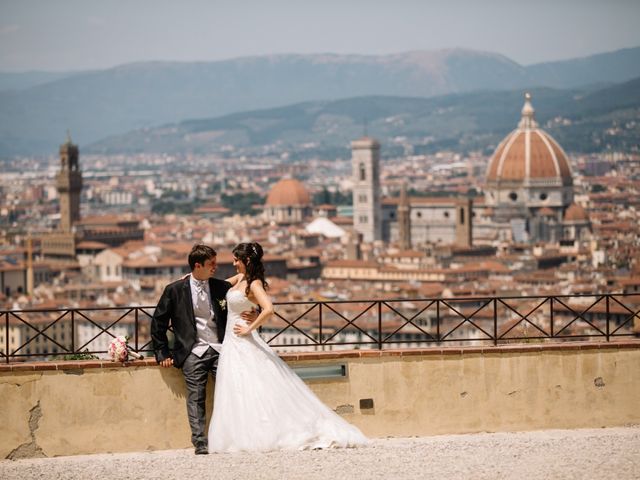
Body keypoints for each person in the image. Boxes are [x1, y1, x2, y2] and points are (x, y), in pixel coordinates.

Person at [208, 242, 368, 452]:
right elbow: (216, 285)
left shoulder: (253, 284)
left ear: (246, 261)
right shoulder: (239, 279)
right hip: (231, 341)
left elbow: (269, 309)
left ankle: (261, 435)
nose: (233, 263)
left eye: (237, 259)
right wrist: (192, 279)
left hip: (242, 338)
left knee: (251, 385)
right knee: (238, 387)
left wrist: (250, 328)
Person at [151, 244, 256, 455]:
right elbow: (158, 323)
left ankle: (235, 437)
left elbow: (246, 299)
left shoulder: (220, 287)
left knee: (232, 391)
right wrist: (162, 353)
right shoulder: (174, 290)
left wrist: (255, 314)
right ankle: (200, 442)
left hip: (222, 348)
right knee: (196, 396)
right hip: (191, 351)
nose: (216, 267)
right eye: (212, 264)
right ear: (197, 266)